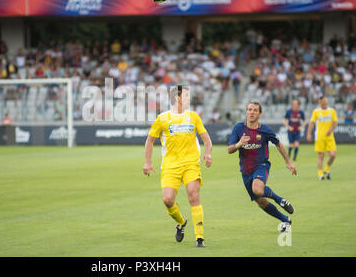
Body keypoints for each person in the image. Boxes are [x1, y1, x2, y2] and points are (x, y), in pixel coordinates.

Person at [144, 85, 213, 247]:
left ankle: (199, 238)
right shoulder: (162, 118)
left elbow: (206, 139)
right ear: (178, 98)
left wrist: (208, 153)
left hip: (191, 163)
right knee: (167, 200)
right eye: (187, 96)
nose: (190, 99)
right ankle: (181, 222)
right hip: (170, 165)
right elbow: (150, 140)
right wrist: (148, 162)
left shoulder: (194, 117)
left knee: (194, 196)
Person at [228, 101, 297, 233]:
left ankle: (280, 200)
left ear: (260, 114)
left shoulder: (265, 130)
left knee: (258, 190)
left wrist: (288, 162)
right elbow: (230, 149)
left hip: (261, 165)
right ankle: (285, 220)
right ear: (246, 112)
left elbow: (278, 144)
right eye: (249, 110)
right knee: (261, 202)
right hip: (245, 171)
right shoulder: (238, 128)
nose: (251, 112)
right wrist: (239, 144)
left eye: (254, 110)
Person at [307, 96, 338, 180]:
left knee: (333, 155)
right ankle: (320, 174)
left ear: (327, 101)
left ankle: (326, 169)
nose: (324, 103)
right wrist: (309, 133)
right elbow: (312, 123)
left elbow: (335, 122)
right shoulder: (316, 111)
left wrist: (330, 130)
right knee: (321, 156)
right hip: (319, 137)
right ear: (319, 102)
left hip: (330, 137)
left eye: (325, 101)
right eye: (322, 102)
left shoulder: (332, 111)